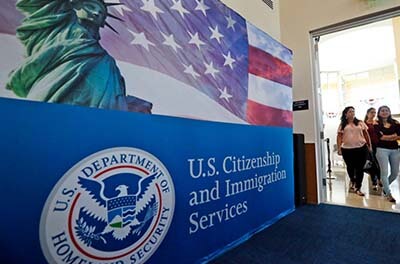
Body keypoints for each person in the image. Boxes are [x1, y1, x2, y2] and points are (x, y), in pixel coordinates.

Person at [6, 0, 128, 110]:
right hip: (51, 103)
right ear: (74, 5)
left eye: (101, 13)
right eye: (91, 7)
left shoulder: (107, 62)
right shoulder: (59, 28)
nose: (96, 13)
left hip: (92, 121)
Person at [337, 106, 371, 196]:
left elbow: (366, 134)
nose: (352, 113)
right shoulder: (342, 124)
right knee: (350, 167)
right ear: (346, 114)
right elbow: (339, 136)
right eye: (350, 111)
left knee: (360, 168)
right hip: (347, 150)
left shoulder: (360, 123)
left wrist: (369, 145)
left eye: (353, 111)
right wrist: (339, 148)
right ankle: (352, 179)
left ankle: (358, 187)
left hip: (361, 148)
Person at [374, 105, 400, 203]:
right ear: (379, 113)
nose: (384, 112)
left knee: (394, 173)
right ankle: (388, 194)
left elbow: (399, 136)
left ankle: (385, 187)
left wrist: (388, 136)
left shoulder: (395, 123)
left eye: (386, 110)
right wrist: (393, 136)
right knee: (384, 173)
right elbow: (381, 137)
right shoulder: (376, 123)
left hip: (395, 150)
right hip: (382, 149)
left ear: (389, 112)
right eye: (382, 111)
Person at [364, 107, 381, 190]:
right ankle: (375, 180)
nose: (373, 114)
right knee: (372, 163)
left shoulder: (377, 123)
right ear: (367, 113)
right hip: (368, 146)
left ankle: (379, 179)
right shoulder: (364, 123)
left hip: (377, 145)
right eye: (371, 112)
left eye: (374, 112)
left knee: (378, 163)